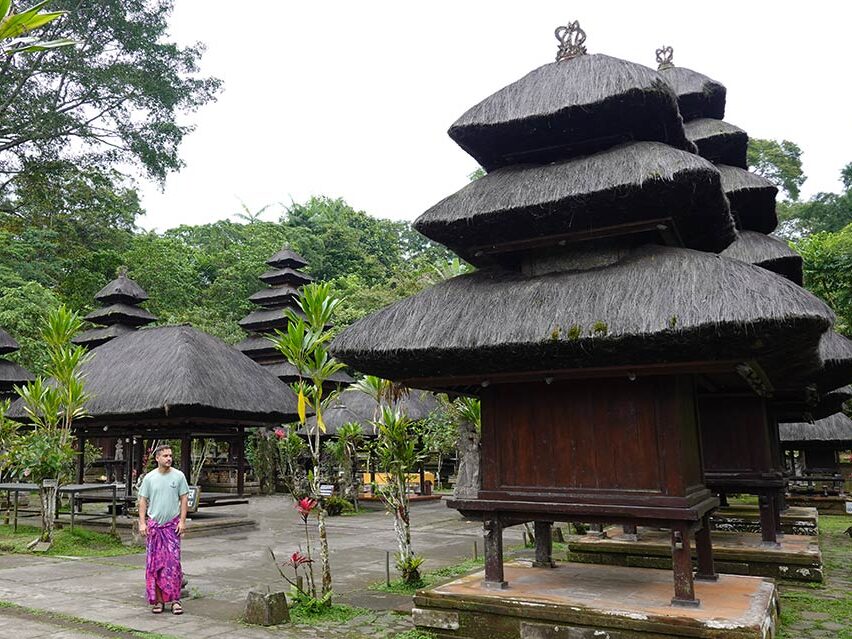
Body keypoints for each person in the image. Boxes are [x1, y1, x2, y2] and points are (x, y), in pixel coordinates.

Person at [138, 444, 189, 615]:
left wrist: (182, 521)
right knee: (156, 566)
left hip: (172, 527)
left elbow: (183, 499)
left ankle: (175, 600)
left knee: (173, 564)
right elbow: (143, 501)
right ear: (157, 458)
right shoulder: (149, 478)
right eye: (165, 456)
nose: (169, 458)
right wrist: (142, 523)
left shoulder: (179, 476)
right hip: (155, 528)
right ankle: (158, 601)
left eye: (170, 456)